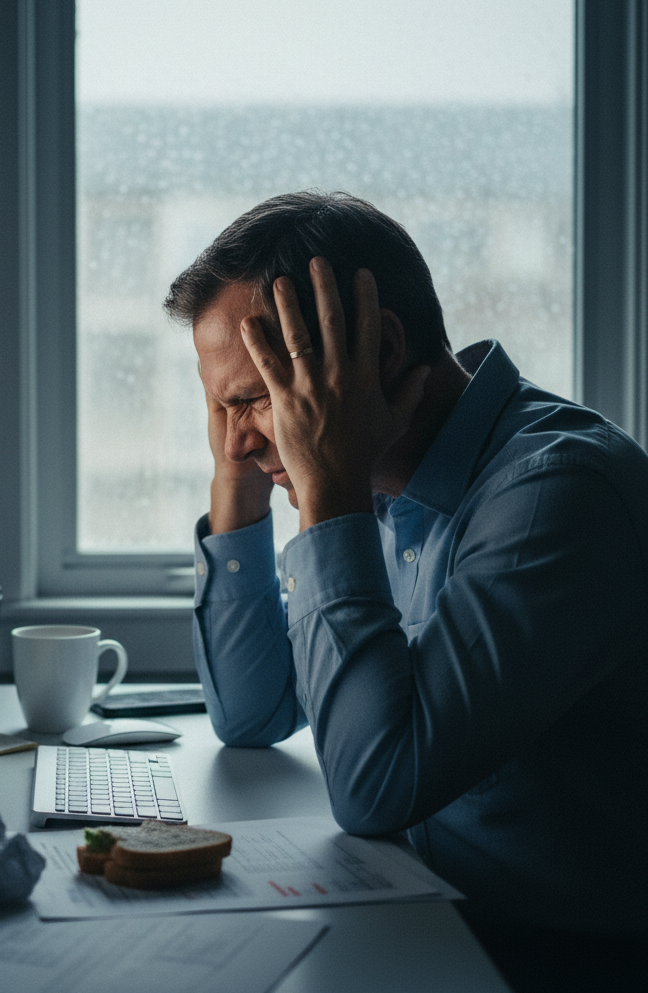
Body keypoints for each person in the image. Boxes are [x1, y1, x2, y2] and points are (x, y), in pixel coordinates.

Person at [164, 191, 647, 987]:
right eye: (222, 407)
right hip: (427, 917)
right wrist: (237, 477)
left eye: (255, 397)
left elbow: (376, 789)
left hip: (550, 958)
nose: (238, 438)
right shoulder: (386, 479)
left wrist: (328, 491)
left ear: (381, 351)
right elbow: (252, 713)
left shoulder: (557, 496)